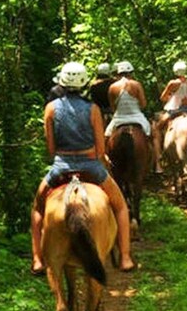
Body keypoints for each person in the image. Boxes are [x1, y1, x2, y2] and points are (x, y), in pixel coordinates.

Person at [30, 61, 137, 274]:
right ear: (84, 83)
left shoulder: (50, 108)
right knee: (121, 206)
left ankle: (38, 259)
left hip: (61, 167)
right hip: (91, 166)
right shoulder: (93, 109)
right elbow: (99, 147)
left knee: (37, 208)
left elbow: (51, 149)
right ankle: (125, 257)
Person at [153, 60, 187, 173]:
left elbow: (163, 98)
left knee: (156, 128)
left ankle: (159, 159)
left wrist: (171, 97)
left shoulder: (172, 83)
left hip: (174, 111)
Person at [104, 60, 151, 139]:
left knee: (106, 136)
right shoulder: (136, 84)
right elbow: (143, 105)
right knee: (152, 136)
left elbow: (113, 108)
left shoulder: (112, 87)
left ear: (119, 73)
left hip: (118, 119)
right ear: (130, 72)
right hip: (138, 118)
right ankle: (156, 151)